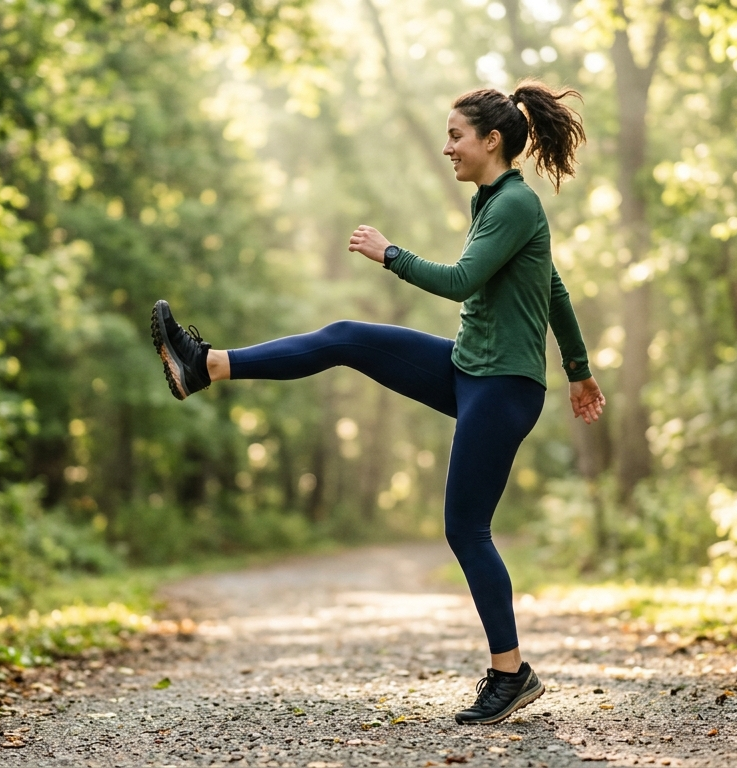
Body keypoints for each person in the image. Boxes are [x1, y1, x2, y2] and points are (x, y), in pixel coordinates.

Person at [150, 78, 605, 726]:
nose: (446, 148)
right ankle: (207, 366)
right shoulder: (492, 202)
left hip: (503, 387)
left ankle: (512, 674)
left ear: (491, 140)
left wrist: (388, 252)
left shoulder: (512, 205)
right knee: (346, 338)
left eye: (455, 136)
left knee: (465, 529)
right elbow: (552, 287)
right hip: (468, 368)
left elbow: (460, 282)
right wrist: (580, 372)